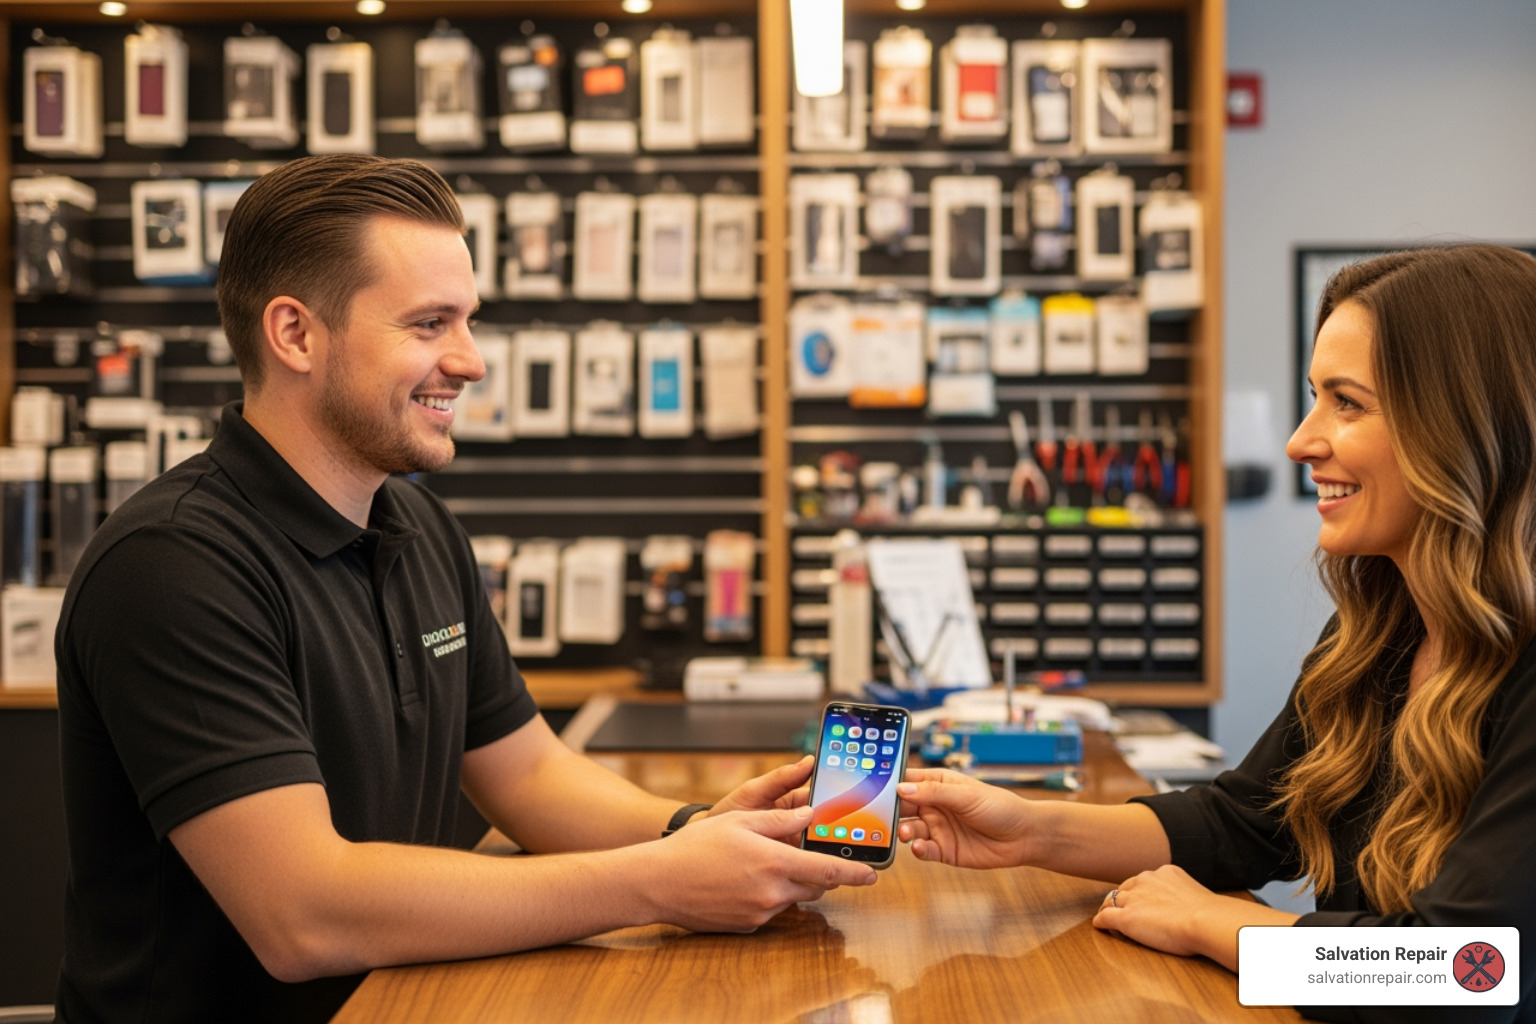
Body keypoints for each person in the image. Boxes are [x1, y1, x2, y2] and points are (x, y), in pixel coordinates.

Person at [53, 154, 877, 1024]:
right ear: (294, 334)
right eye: (429, 324)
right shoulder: (173, 563)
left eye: (468, 322)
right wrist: (658, 882)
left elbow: (526, 776)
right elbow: (304, 914)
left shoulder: (418, 528)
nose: (472, 361)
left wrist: (694, 833)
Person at [896, 244, 1536, 1022]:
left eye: (1347, 403)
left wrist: (1222, 923)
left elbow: (1466, 973)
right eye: (1314, 398)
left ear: (1466, 429)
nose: (1302, 441)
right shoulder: (1382, 631)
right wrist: (1028, 829)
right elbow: (1246, 822)